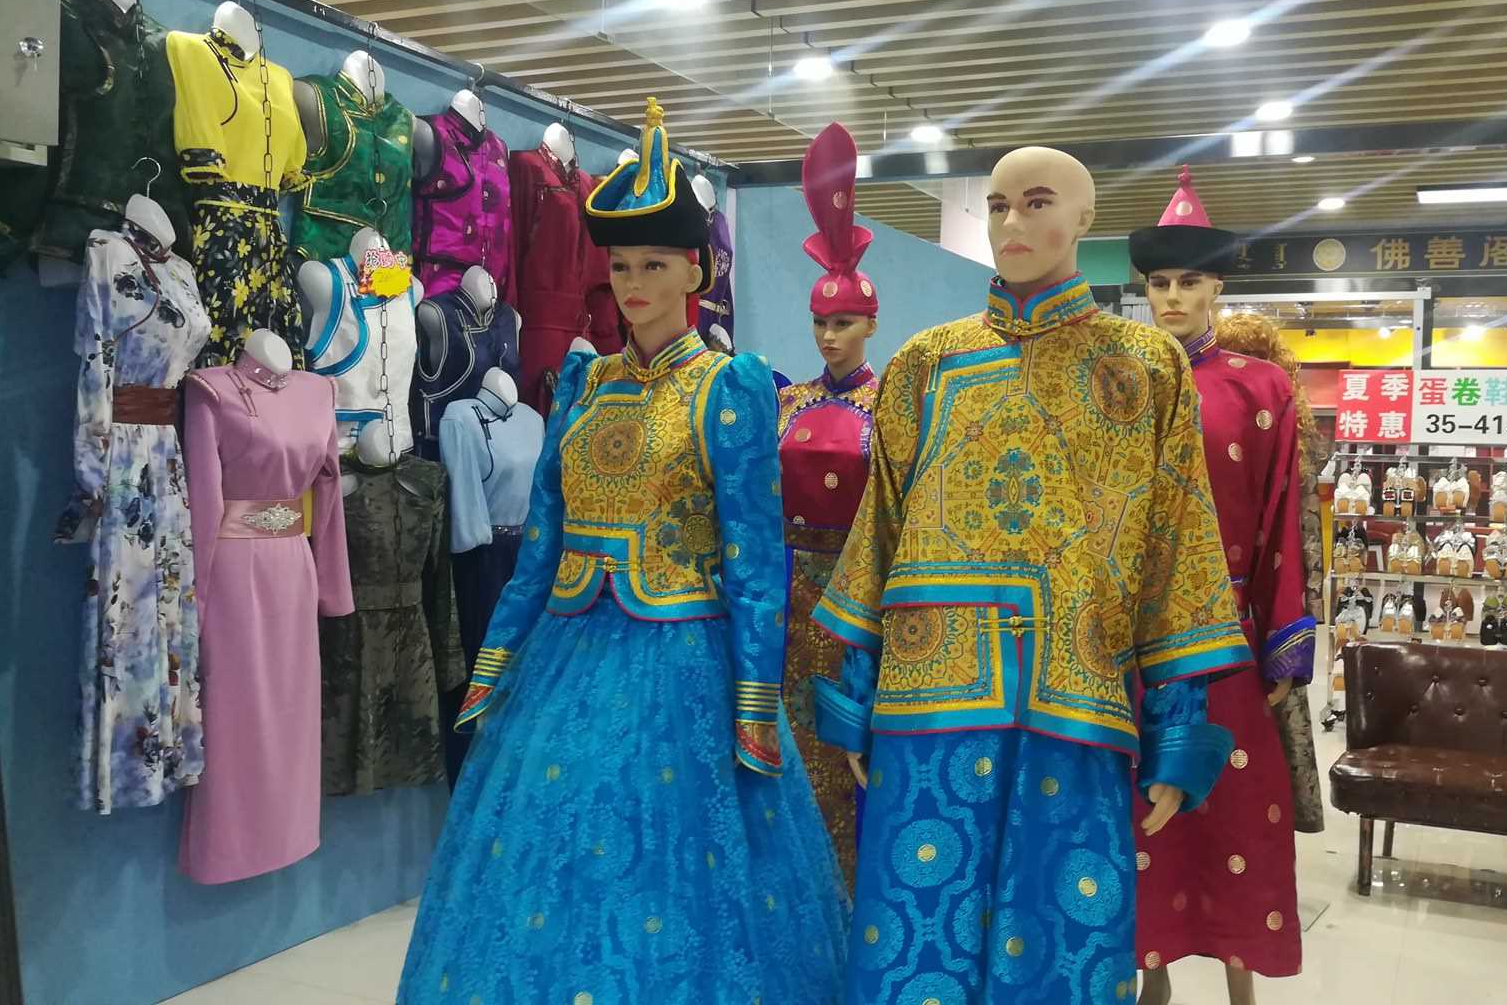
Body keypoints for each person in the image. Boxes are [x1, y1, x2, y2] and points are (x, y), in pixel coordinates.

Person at [395, 99, 847, 1005]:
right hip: (565, 657)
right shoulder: (583, 384)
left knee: (678, 874)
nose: (634, 283)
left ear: (696, 270)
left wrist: (755, 701)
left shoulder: (728, 386)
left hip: (685, 662)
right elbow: (543, 543)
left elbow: (757, 561)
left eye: (655, 265)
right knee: (543, 861)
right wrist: (496, 657)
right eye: (622, 265)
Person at [810, 145, 1252, 1003]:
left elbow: (1177, 545)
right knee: (915, 932)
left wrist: (1178, 722)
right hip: (928, 697)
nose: (1012, 222)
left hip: (1076, 695)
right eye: (998, 205)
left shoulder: (1145, 365)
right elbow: (880, 533)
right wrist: (856, 694)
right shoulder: (927, 362)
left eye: (1037, 203)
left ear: (1085, 219)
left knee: (1060, 939)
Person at [1128, 168, 1315, 1005]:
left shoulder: (1261, 387)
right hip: (1133, 636)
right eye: (1159, 283)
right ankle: (1151, 977)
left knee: (1239, 809)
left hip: (1228, 634)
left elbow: (1281, 517)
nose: (1172, 297)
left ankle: (1243, 981)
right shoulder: (1121, 381)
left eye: (1188, 282)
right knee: (1143, 812)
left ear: (1217, 288)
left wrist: (1283, 642)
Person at [778, 122, 883, 888]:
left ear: (871, 323)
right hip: (785, 598)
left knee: (848, 748)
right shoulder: (786, 403)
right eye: (819, 321)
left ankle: (850, 899)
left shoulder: (892, 408)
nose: (829, 335)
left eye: (842, 322)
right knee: (784, 746)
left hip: (856, 598)